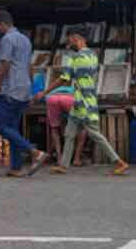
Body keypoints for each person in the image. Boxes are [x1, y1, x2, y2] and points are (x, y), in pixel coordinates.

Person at [34, 26, 129, 175]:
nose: (68, 42)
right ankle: (64, 165)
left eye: (69, 39)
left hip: (83, 102)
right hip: (83, 100)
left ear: (75, 38)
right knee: (70, 133)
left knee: (95, 134)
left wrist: (45, 92)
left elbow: (64, 79)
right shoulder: (93, 55)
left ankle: (119, 162)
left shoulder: (77, 58)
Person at [0, 11, 47, 177]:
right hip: (24, 88)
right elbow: (29, 65)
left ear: (2, 24)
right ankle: (15, 166)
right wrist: (32, 87)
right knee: (12, 128)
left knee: (1, 126)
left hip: (11, 88)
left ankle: (34, 152)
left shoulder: (7, 40)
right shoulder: (25, 39)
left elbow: (4, 66)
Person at [45, 88, 87, 166]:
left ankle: (59, 159)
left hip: (51, 98)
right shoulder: (74, 88)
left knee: (54, 129)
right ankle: (76, 159)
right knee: (83, 128)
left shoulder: (52, 87)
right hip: (69, 99)